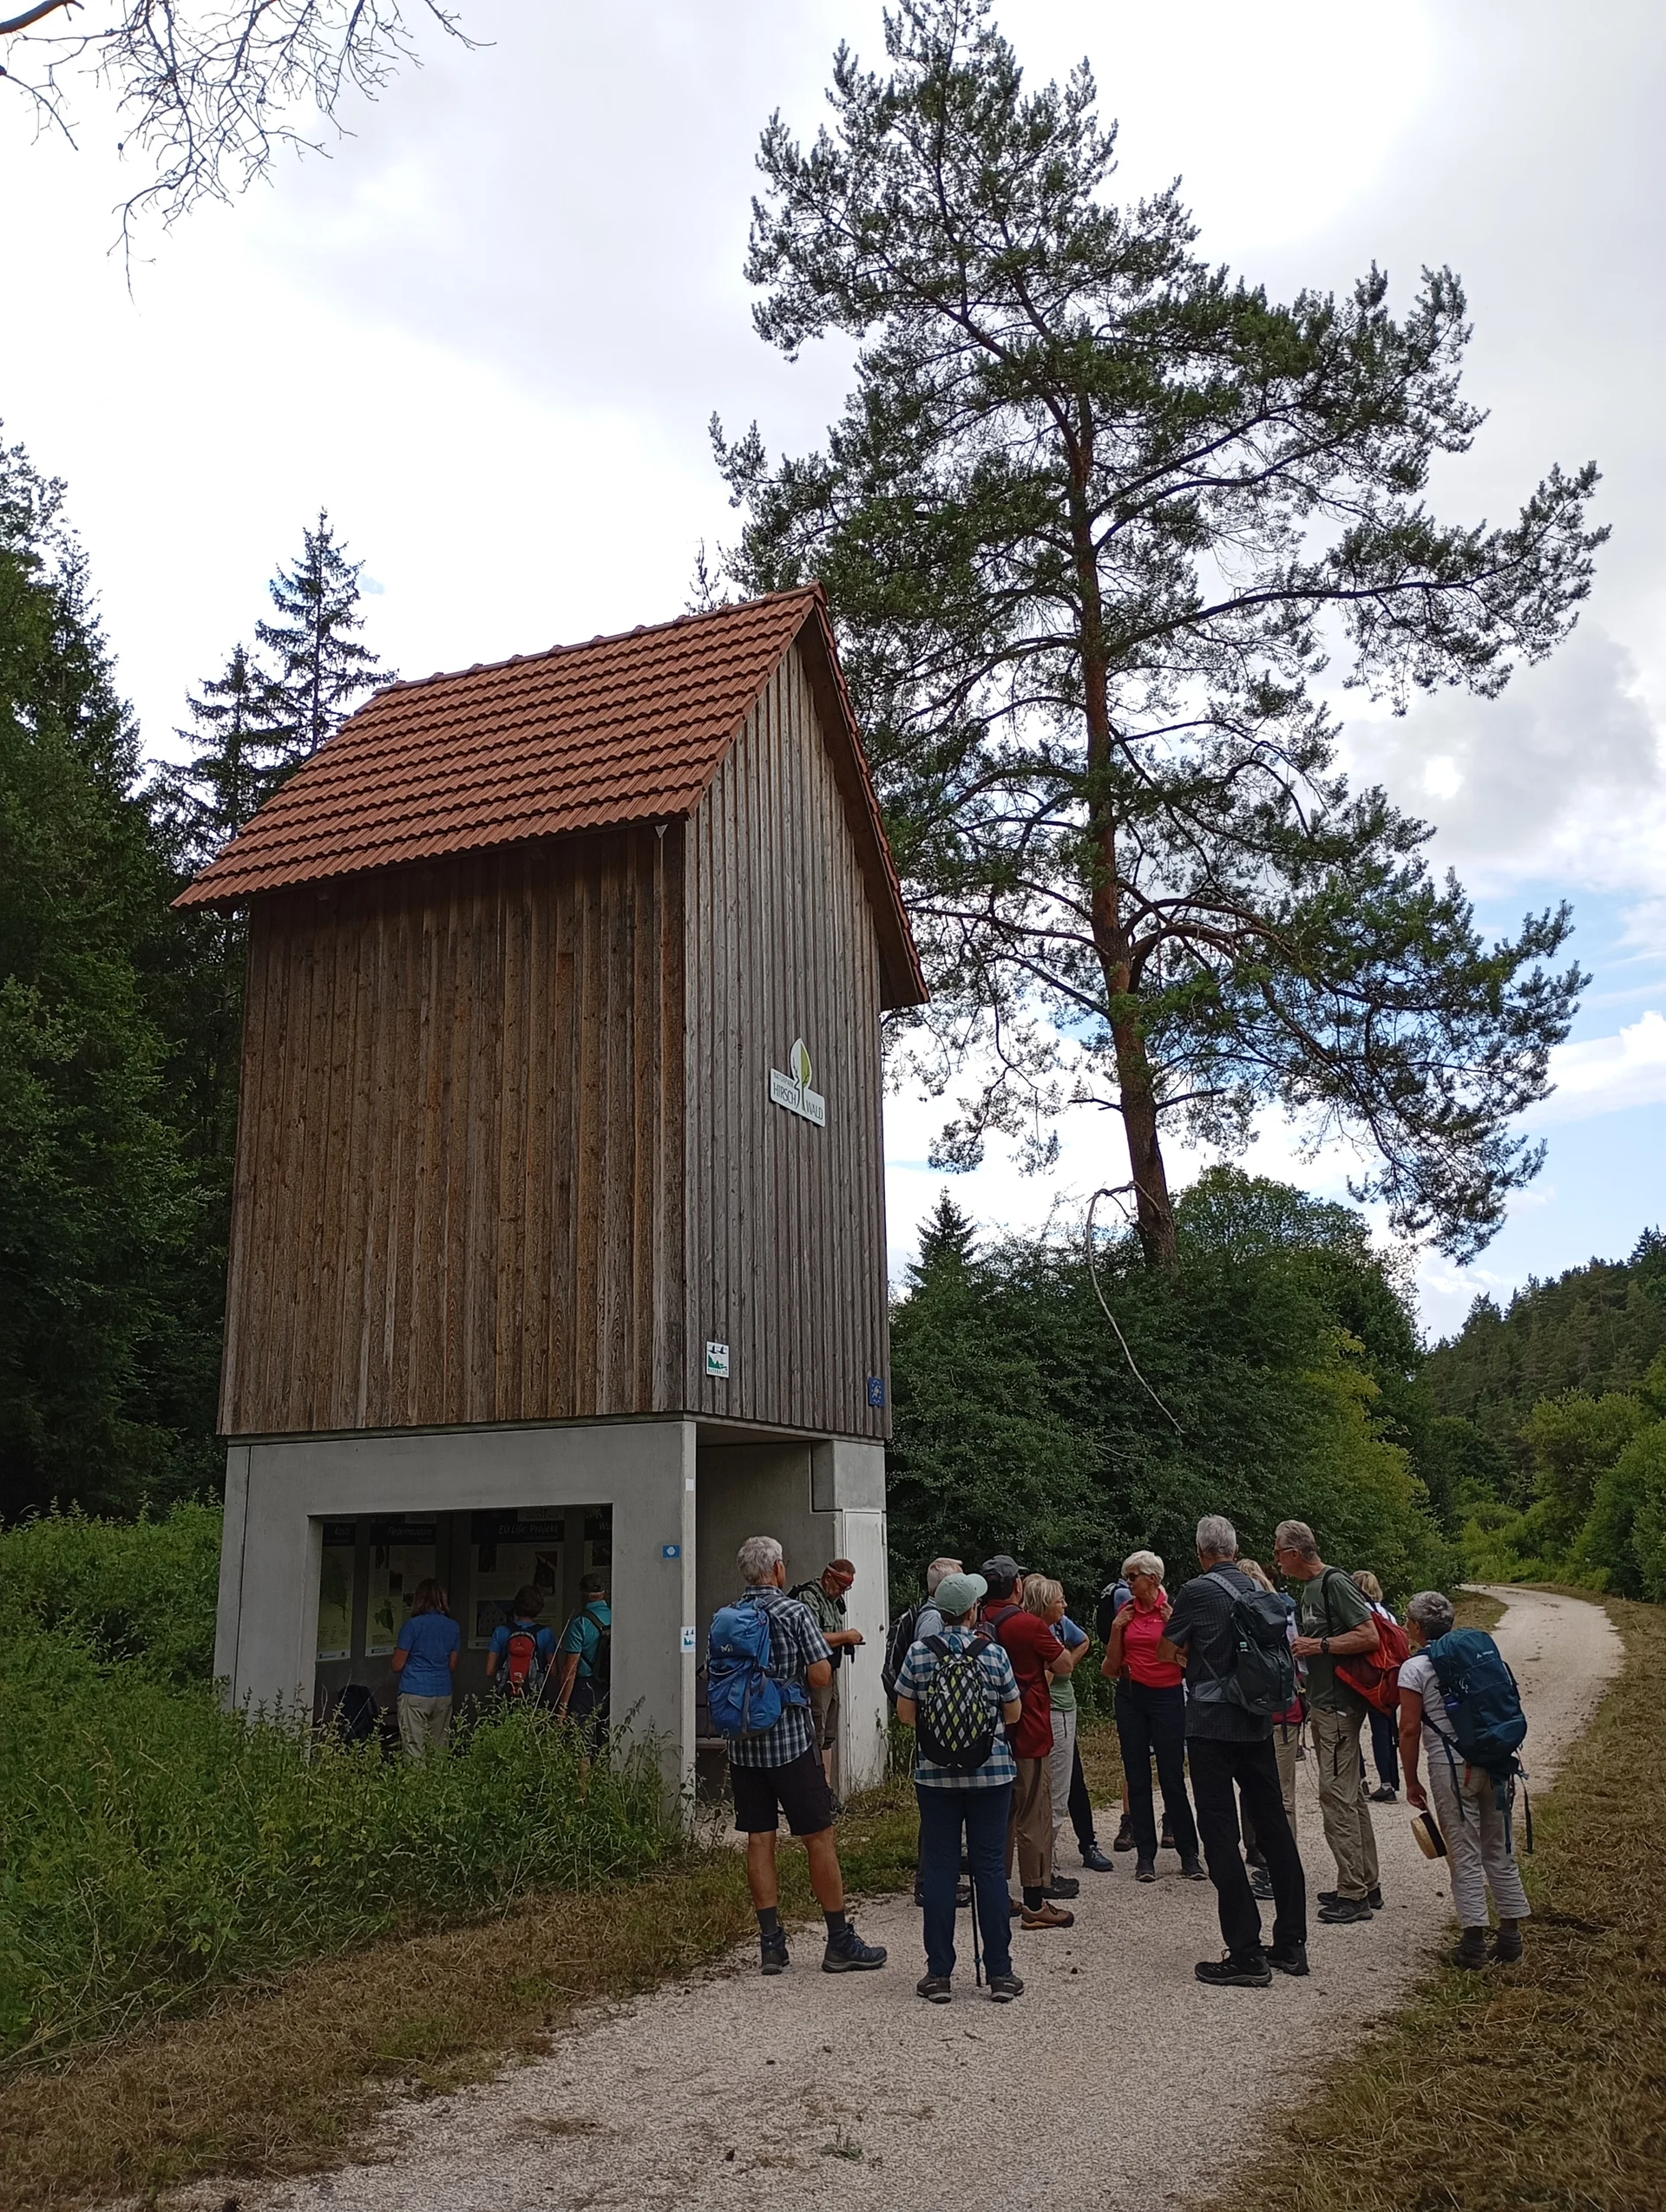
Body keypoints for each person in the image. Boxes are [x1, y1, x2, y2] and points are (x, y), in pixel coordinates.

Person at [724, 1535, 887, 1976]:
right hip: (791, 1743)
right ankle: (839, 1941)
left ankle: (771, 1944)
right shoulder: (794, 1612)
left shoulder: (728, 1616)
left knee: (760, 1839)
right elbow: (818, 1676)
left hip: (743, 1747)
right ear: (777, 1569)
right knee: (819, 1836)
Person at [1158, 1516, 1308, 1987]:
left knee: (1220, 1834)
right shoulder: (1258, 1586)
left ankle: (1246, 1953)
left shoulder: (1196, 1591)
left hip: (1210, 1727)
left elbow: (1165, 1651)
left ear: (1201, 1552)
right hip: (1257, 1721)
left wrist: (1190, 1658)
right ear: (1235, 1549)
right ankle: (1291, 1945)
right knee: (1274, 1827)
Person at [895, 1570, 1026, 2003]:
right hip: (991, 1774)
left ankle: (939, 1975)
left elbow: (905, 1715)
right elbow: (1013, 1712)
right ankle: (1000, 1973)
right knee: (989, 1868)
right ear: (973, 1611)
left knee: (940, 1868)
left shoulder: (919, 1652)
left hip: (935, 1776)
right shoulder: (993, 1653)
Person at [1399, 1589, 1532, 1968]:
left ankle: (1473, 1944)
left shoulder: (1414, 1668)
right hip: (1497, 1761)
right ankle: (1510, 1938)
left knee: (1464, 1854)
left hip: (1452, 1769)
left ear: (1417, 1627)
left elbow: (1409, 1729)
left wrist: (1411, 1780)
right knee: (1499, 1850)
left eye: (1408, 1621)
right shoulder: (1476, 1654)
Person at [1276, 1520, 1384, 1922]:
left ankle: (1353, 1894)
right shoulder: (1309, 1589)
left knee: (1336, 1796)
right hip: (1323, 1704)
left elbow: (1369, 1635)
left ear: (1294, 1553)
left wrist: (1319, 1645)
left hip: (1339, 1708)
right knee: (1350, 1795)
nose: (1276, 1559)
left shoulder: (1335, 1583)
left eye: (1278, 1551)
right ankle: (1366, 1883)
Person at [980, 1555, 1074, 1928]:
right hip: (1028, 1728)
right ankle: (1035, 1902)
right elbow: (1064, 1664)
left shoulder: (977, 1621)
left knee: (999, 1815)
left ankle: (998, 1895)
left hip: (988, 1733)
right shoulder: (1028, 1625)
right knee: (1033, 1814)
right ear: (1017, 1586)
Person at [1100, 1550, 1205, 1883]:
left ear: (1153, 1579)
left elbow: (1190, 1655)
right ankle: (1145, 1855)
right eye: (1127, 1577)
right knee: (1137, 1774)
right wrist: (1116, 1629)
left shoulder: (1172, 1610)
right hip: (1131, 1695)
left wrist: (1175, 1624)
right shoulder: (1126, 1611)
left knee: (1172, 1775)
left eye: (1133, 1577)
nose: (1128, 1582)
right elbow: (1111, 1665)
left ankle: (1189, 1853)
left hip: (1167, 1695)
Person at [1021, 1576, 1093, 1895]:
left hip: (1053, 1709)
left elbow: (1079, 1647)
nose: (1065, 1605)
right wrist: (1055, 1668)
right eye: (1059, 1601)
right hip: (1053, 1712)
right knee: (1054, 1792)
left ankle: (1042, 1866)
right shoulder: (1039, 1631)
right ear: (1043, 1605)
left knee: (1047, 1790)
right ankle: (1044, 1872)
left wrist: (1060, 1666)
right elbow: (1058, 1666)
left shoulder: (1053, 1626)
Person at [1237, 1559, 1302, 1900]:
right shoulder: (1284, 1614)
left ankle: (1281, 1870)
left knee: (1277, 1797)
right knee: (1272, 1794)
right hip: (1280, 1712)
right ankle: (1269, 1858)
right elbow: (1298, 1665)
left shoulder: (1249, 1618)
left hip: (1268, 1715)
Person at [790, 1556, 865, 1806]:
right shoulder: (809, 1598)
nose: (843, 1592)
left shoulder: (833, 1601)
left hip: (830, 1672)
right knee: (816, 1730)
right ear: (828, 1578)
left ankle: (825, 1791)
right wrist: (845, 1636)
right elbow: (811, 1637)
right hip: (812, 1674)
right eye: (841, 1586)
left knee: (828, 1734)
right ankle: (811, 1793)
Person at [390, 1578, 461, 1756]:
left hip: (414, 1691)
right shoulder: (453, 1627)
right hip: (443, 1692)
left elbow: (397, 1665)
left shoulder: (412, 1626)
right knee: (439, 1750)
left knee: (414, 1750)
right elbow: (452, 1665)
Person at [1353, 1570, 1401, 1801]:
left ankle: (1360, 1779)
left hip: (1362, 1678)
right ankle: (1388, 1783)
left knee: (1351, 1729)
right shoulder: (1388, 1614)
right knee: (1383, 1732)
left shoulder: (1357, 1614)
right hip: (1386, 1679)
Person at [552, 1570, 611, 1755]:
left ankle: (584, 1775)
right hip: (612, 1686)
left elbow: (570, 1670)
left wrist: (562, 1707)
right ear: (605, 1593)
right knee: (607, 1742)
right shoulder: (618, 1617)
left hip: (585, 1688)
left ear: (583, 1595)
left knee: (581, 1745)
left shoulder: (580, 1623)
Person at [486, 1585, 558, 1700]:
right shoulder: (546, 1633)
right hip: (533, 1696)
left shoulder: (501, 1631)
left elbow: (489, 1671)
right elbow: (553, 1671)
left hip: (506, 1696)